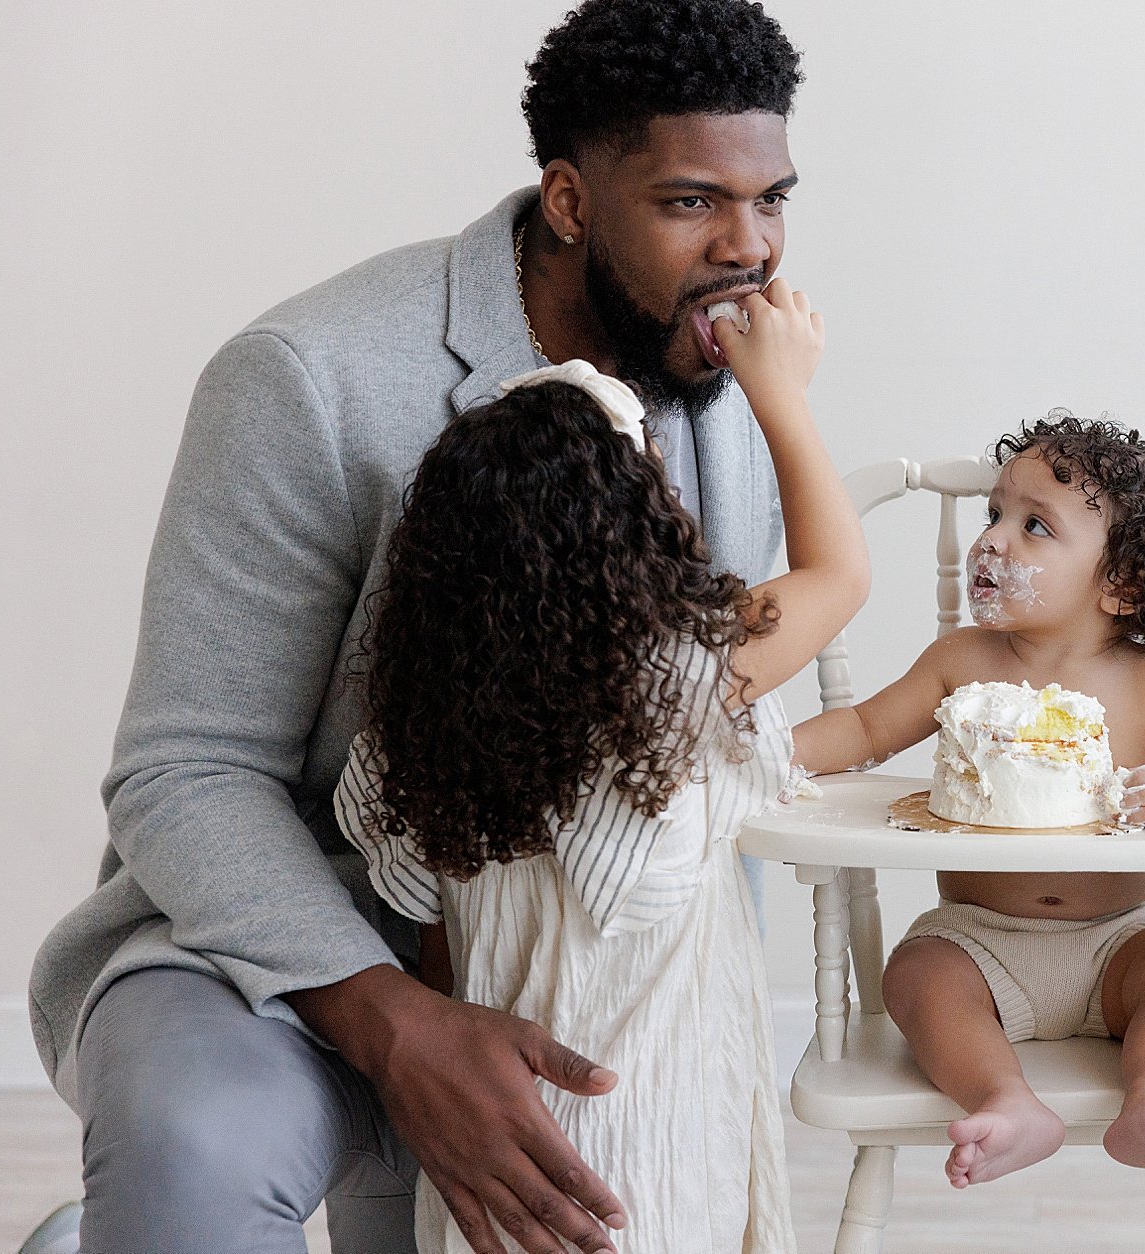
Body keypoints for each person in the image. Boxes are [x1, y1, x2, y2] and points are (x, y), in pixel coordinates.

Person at [26, 0, 808, 1254]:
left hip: (563, 964)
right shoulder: (308, 382)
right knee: (194, 1161)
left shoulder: (734, 382)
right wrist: (397, 1018)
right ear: (568, 199)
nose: (749, 247)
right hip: (296, 947)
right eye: (689, 203)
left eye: (770, 199)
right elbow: (187, 770)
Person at [335, 278, 862, 1253]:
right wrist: (779, 390)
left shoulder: (418, 724)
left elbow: (443, 949)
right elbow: (839, 577)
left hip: (499, 1140)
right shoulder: (667, 681)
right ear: (633, 543)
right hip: (648, 1134)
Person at [793, 414, 1145, 1189]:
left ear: (1122, 584)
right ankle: (1005, 1099)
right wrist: (770, 752)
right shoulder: (961, 661)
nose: (993, 541)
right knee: (914, 975)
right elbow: (863, 728)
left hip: (1118, 941)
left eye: (1035, 526)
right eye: (994, 514)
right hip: (977, 940)